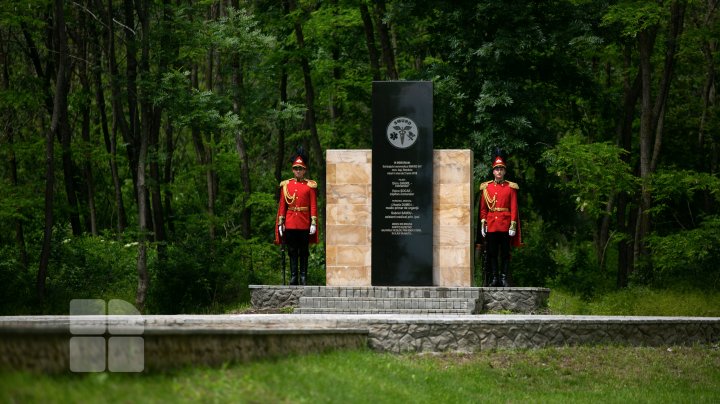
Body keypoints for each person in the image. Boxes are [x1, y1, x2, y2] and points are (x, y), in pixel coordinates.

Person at [477, 152, 522, 287]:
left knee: (505, 253)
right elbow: (483, 208)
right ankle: (495, 278)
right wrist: (483, 223)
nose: (499, 171)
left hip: (505, 224)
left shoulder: (511, 187)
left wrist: (513, 225)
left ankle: (503, 278)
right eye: (497, 169)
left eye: (501, 169)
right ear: (493, 171)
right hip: (491, 224)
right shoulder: (487, 187)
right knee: (492, 253)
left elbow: (514, 207)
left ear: (504, 171)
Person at [275, 149, 318, 285]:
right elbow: (282, 205)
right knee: (292, 251)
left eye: (301, 168)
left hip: (304, 222)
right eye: (296, 168)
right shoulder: (286, 185)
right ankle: (294, 277)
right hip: (290, 222)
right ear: (293, 170)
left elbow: (313, 205)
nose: (298, 171)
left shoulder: (309, 186)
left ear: (304, 170)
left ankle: (303, 277)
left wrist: (313, 222)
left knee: (304, 251)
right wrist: (281, 223)